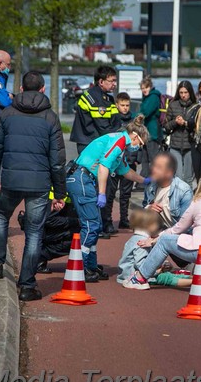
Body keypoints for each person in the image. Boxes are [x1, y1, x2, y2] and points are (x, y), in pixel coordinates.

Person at [0, 72, 66, 302]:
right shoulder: (50, 118)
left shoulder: (6, 114)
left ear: (20, 88)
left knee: (1, 217)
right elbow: (58, 160)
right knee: (34, 232)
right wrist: (60, 193)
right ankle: (27, 286)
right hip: (39, 184)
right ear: (42, 89)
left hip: (11, 180)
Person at [66, 116, 151, 282]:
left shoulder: (119, 145)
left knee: (95, 225)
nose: (138, 148)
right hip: (82, 178)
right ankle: (80, 266)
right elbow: (104, 166)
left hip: (85, 179)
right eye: (140, 144)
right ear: (134, 137)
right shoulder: (119, 142)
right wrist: (102, 193)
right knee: (91, 224)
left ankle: (90, 265)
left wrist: (144, 180)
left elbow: (125, 171)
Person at [100, 92, 139, 233]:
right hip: (115, 163)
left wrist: (136, 157)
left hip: (129, 160)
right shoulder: (113, 119)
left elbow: (138, 140)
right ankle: (108, 221)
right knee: (110, 193)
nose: (125, 108)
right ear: (116, 105)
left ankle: (124, 219)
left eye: (127, 105)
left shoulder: (134, 120)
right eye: (122, 105)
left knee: (126, 193)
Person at [70, 65, 120, 154]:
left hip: (93, 141)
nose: (114, 84)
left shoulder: (105, 98)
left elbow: (116, 121)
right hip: (90, 143)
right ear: (101, 81)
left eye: (115, 81)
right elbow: (103, 127)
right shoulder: (95, 99)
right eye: (112, 81)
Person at [143, 152, 193, 230]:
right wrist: (148, 209)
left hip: (174, 234)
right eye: (153, 166)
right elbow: (142, 218)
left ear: (169, 172)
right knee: (133, 241)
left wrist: (161, 237)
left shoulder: (184, 191)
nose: (153, 169)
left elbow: (186, 227)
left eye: (158, 167)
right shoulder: (150, 185)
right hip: (153, 230)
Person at [163, 80, 197, 186]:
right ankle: (177, 201)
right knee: (177, 177)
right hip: (175, 146)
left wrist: (185, 123)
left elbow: (197, 126)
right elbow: (166, 127)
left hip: (189, 145)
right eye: (181, 92)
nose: (183, 95)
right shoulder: (173, 105)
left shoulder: (196, 106)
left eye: (185, 92)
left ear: (190, 92)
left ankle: (188, 201)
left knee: (188, 178)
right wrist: (175, 122)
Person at [116, 208, 162, 283]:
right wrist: (157, 271)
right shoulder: (143, 241)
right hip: (133, 275)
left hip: (126, 273)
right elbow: (140, 264)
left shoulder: (134, 238)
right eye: (156, 224)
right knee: (165, 277)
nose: (158, 227)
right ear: (148, 225)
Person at [138, 76, 163, 179]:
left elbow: (146, 112)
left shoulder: (153, 97)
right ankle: (145, 179)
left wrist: (136, 116)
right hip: (146, 131)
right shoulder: (147, 97)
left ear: (150, 87)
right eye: (142, 88)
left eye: (146, 87)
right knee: (145, 157)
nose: (144, 90)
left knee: (153, 157)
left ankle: (156, 178)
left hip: (152, 132)